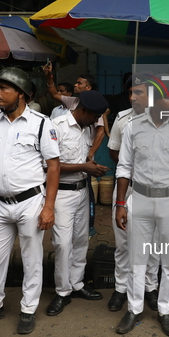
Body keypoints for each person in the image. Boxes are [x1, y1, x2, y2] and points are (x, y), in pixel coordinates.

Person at [0, 67, 60, 335]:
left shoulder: (40, 123)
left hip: (30, 202)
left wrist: (48, 207)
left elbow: (53, 166)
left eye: (4, 88)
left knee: (32, 260)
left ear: (21, 94)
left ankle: (28, 309)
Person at [115, 75, 169, 337]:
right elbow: (124, 167)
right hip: (139, 199)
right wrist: (120, 203)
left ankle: (165, 311)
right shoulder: (133, 127)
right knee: (137, 258)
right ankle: (134, 308)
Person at [46, 91, 110, 316]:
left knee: (81, 239)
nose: (96, 121)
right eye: (95, 116)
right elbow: (48, 166)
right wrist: (85, 167)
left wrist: (91, 166)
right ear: (83, 110)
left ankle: (78, 284)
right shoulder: (56, 126)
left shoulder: (88, 127)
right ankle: (62, 291)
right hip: (61, 194)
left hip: (83, 191)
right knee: (63, 244)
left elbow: (85, 157)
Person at [107, 74, 161, 313]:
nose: (132, 97)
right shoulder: (122, 120)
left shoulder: (166, 121)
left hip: (158, 191)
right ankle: (120, 288)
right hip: (127, 188)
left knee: (154, 244)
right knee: (124, 243)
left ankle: (150, 287)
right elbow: (115, 155)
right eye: (130, 92)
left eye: (138, 92)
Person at [42, 64, 105, 161]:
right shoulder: (73, 101)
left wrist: (90, 153)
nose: (75, 85)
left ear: (88, 88)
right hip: (69, 149)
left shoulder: (94, 106)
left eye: (79, 83)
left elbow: (101, 132)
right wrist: (49, 77)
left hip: (85, 152)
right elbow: (54, 94)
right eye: (76, 82)